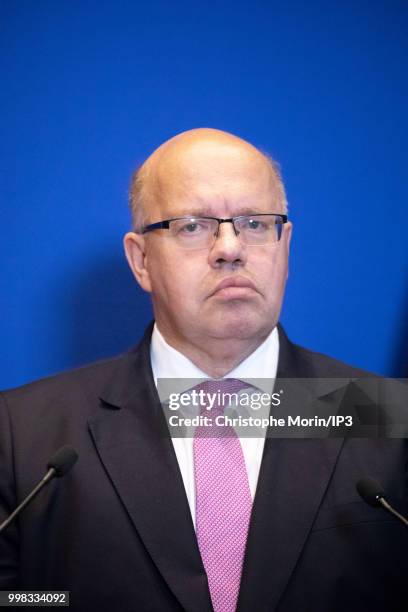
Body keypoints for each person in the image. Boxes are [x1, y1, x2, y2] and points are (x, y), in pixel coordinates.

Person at [0, 129, 406, 612]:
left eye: (255, 223)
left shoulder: (382, 414)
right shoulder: (23, 434)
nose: (230, 248)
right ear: (141, 260)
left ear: (285, 245)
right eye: (193, 226)